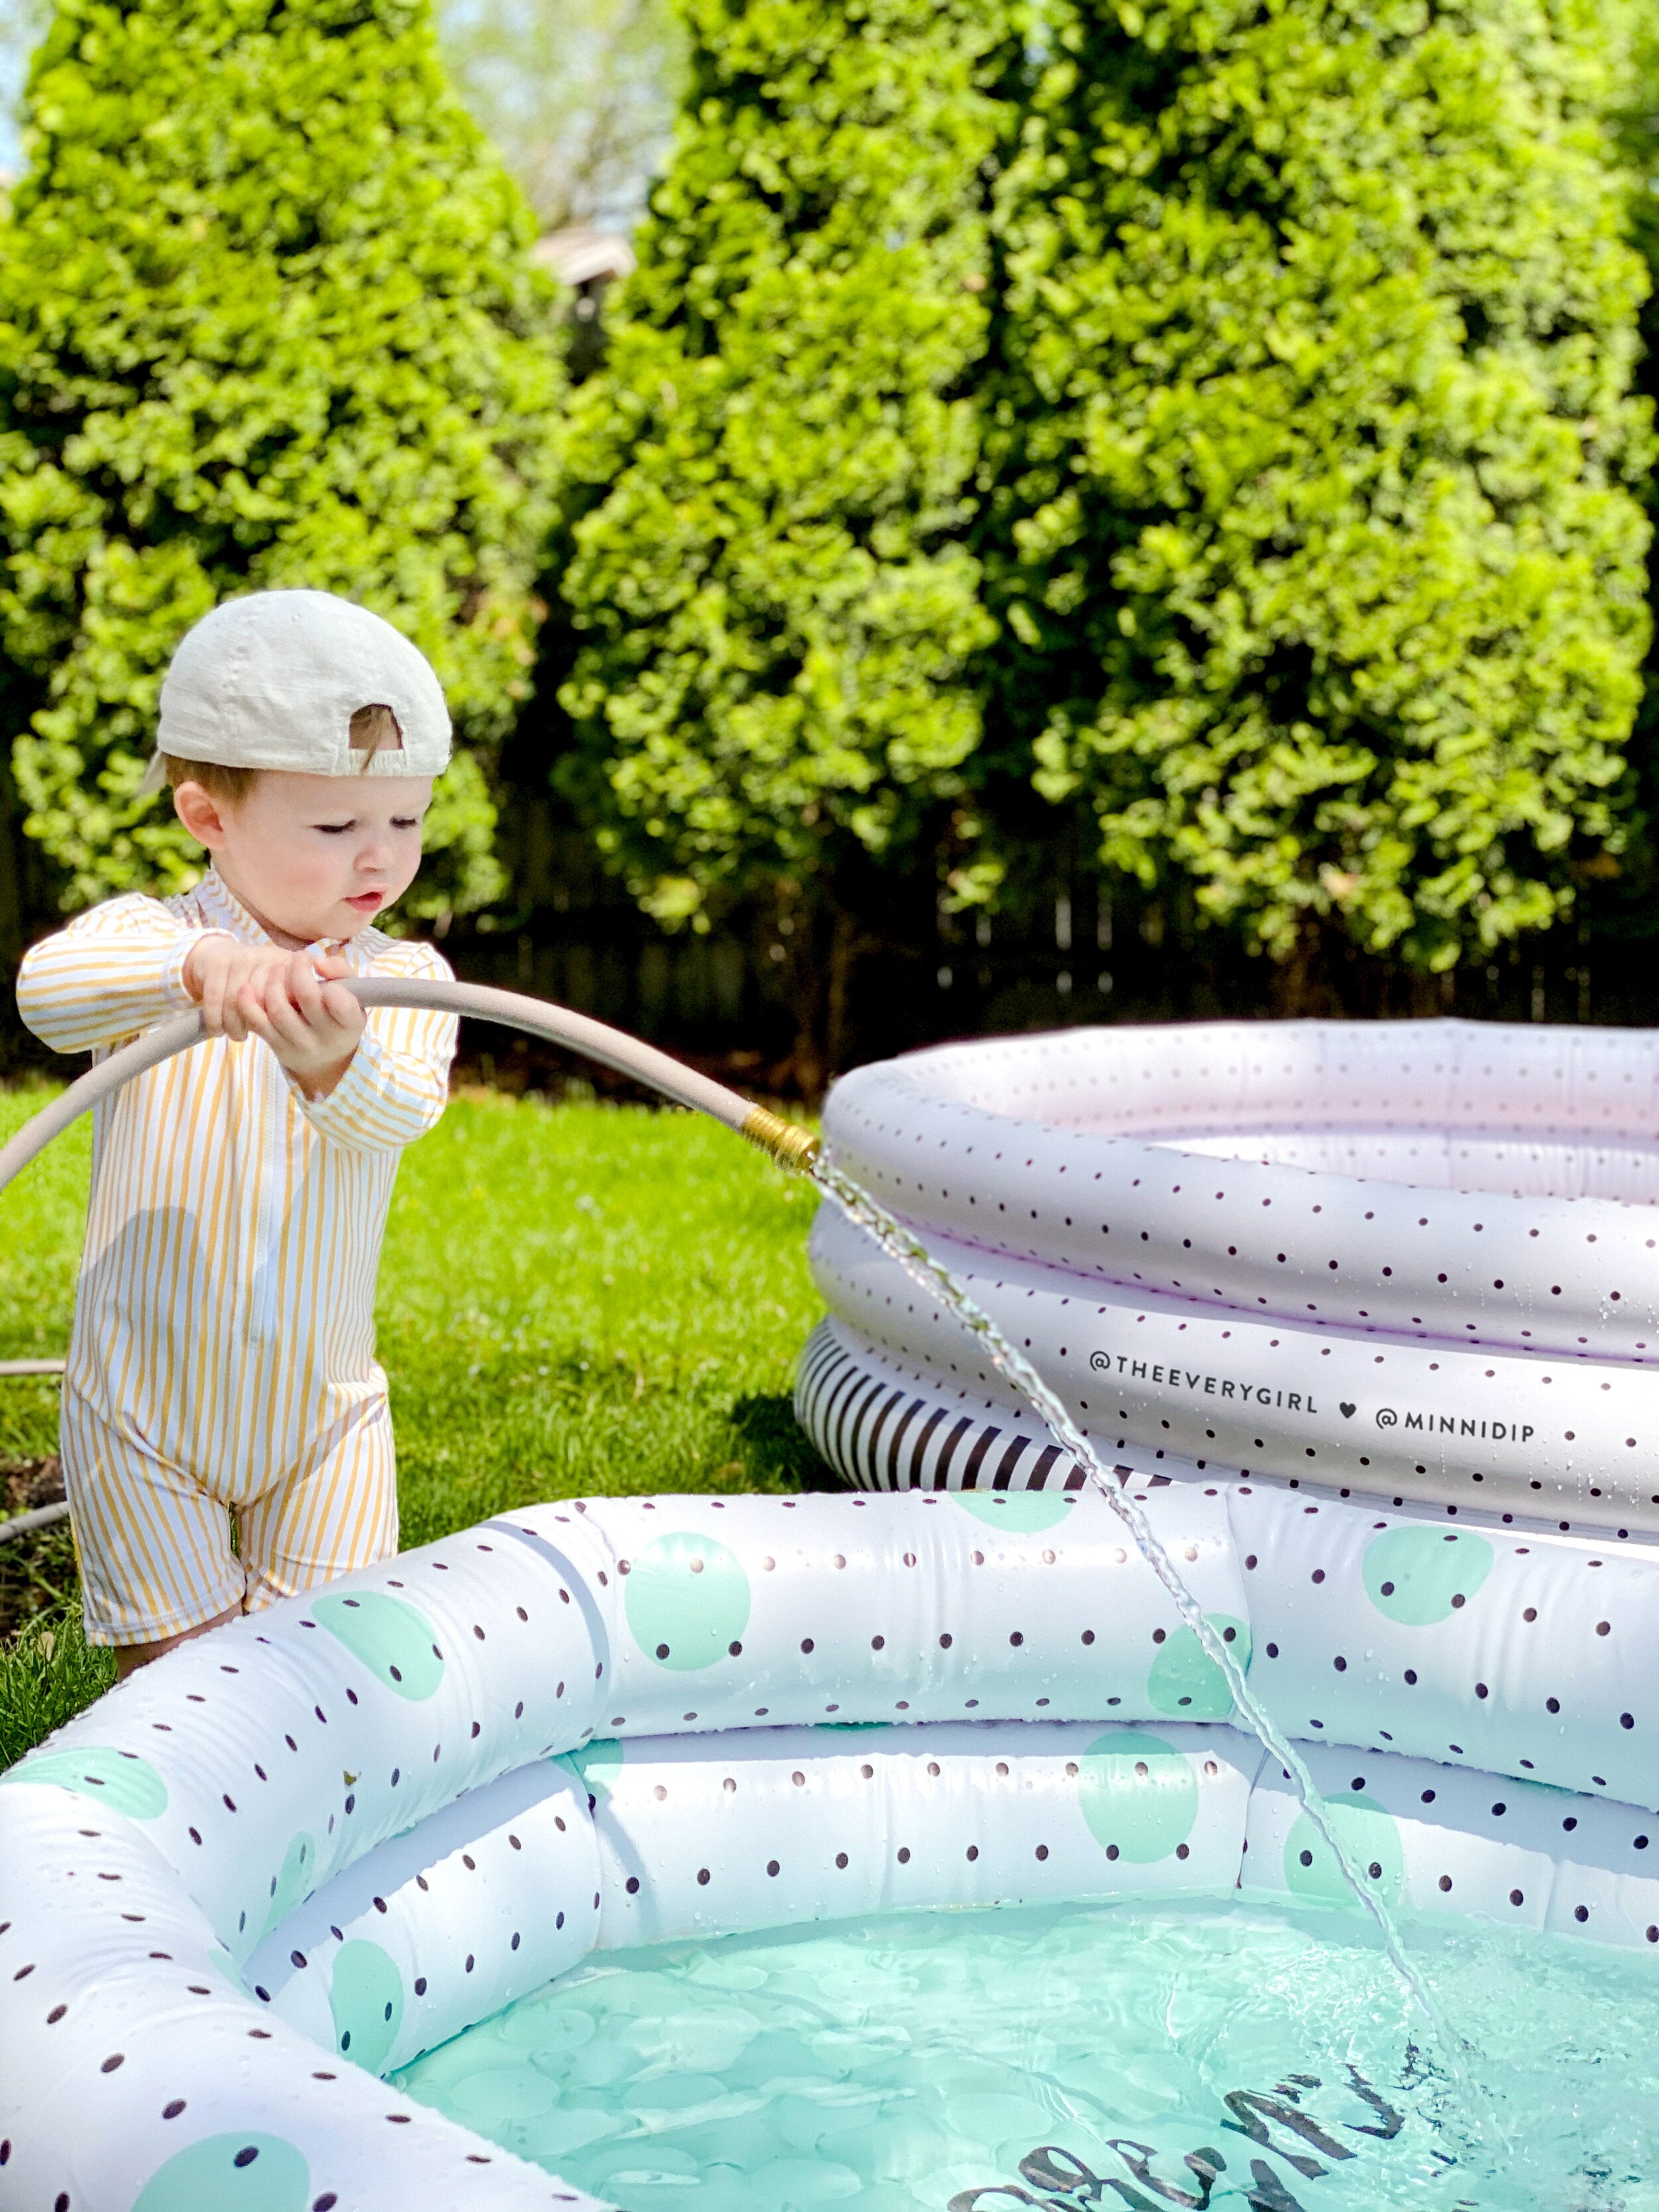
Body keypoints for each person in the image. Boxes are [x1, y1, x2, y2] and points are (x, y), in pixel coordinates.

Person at [16, 590, 459, 1676]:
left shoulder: (402, 979)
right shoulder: (154, 944)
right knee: (188, 1707)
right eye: (336, 826)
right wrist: (197, 969)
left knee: (331, 1695)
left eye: (405, 820)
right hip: (145, 1418)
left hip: (324, 1422)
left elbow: (401, 1106)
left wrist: (327, 1059)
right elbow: (44, 988)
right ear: (207, 816)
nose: (380, 858)